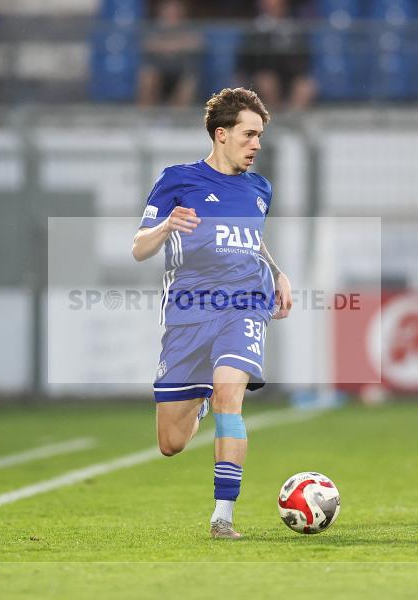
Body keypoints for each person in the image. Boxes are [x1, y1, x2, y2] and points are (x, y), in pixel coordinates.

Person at [132, 87, 293, 538]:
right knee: (171, 443)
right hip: (187, 313)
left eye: (260, 135)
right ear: (221, 135)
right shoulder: (177, 181)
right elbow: (139, 248)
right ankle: (198, 398)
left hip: (243, 304)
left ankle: (223, 515)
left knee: (230, 395)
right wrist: (167, 225)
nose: (257, 144)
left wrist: (277, 273)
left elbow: (251, 239)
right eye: (249, 134)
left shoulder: (260, 188)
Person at [236, 0, 316, 111]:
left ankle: (293, 118)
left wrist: (297, 71)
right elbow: (246, 60)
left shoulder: (294, 27)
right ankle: (271, 118)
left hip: (290, 75)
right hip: (263, 74)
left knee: (305, 86)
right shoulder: (255, 29)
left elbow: (304, 56)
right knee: (268, 82)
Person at [138, 0, 202, 107]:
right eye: (168, 10)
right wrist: (178, 44)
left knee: (189, 82)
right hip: (158, 69)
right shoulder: (153, 27)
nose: (172, 13)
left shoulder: (189, 26)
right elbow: (147, 44)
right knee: (147, 77)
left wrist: (167, 45)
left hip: (182, 70)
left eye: (176, 10)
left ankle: (177, 119)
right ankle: (145, 117)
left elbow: (197, 43)